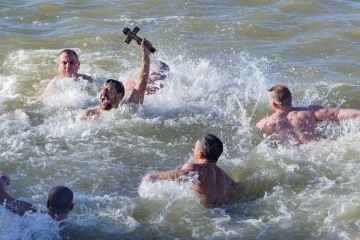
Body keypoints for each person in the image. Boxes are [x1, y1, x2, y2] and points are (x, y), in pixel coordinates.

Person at [141, 134, 236, 208]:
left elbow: (183, 173)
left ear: (200, 155)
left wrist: (152, 177)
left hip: (204, 213)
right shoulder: (227, 179)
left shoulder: (195, 168)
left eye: (194, 149)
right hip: (224, 213)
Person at [256, 84, 360, 146]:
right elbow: (338, 113)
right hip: (316, 149)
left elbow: (252, 137)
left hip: (293, 157)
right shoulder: (310, 111)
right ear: (290, 99)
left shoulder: (267, 122)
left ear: (274, 104)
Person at [79, 38, 153, 121]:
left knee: (152, 82)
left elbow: (141, 82)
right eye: (102, 89)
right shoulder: (89, 115)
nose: (103, 92)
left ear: (119, 96)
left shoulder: (129, 107)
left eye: (109, 89)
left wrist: (146, 55)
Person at [0, 171, 74, 237]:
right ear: (71, 207)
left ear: (48, 204)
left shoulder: (31, 213)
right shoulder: (70, 232)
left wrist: (4, 177)